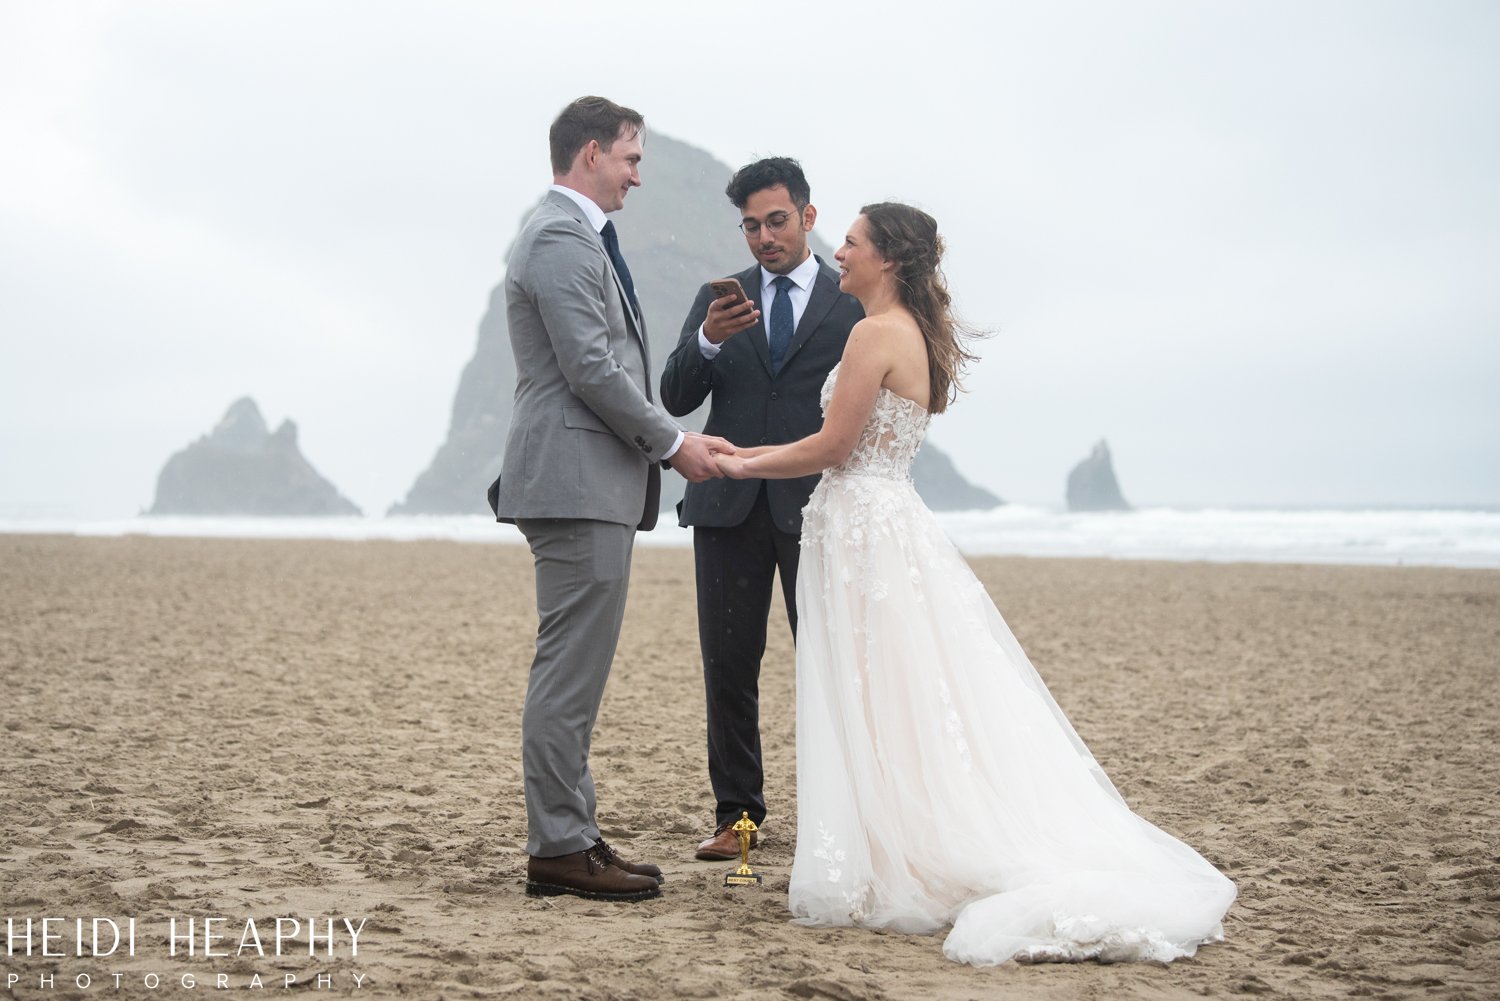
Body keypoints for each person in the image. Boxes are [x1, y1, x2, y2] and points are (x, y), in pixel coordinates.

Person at [713, 203, 1236, 963]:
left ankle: (901, 857)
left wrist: (741, 459)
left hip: (865, 528)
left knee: (877, 693)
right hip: (885, 524)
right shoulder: (914, 334)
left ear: (887, 257)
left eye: (851, 244)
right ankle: (900, 844)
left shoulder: (872, 333)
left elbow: (834, 443)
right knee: (898, 692)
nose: (839, 256)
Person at [489, 96, 732, 903]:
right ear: (590, 153)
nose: (637, 175)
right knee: (568, 672)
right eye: (630, 158)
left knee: (576, 670)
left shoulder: (575, 236)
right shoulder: (559, 236)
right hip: (575, 479)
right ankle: (559, 846)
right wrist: (674, 442)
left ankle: (571, 832)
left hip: (589, 480)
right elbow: (592, 367)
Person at [660, 158, 862, 861]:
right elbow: (676, 397)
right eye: (751, 225)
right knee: (729, 665)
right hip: (726, 507)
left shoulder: (849, 304)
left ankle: (837, 815)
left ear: (807, 217)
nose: (764, 237)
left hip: (817, 509)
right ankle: (738, 821)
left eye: (777, 221)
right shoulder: (720, 300)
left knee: (829, 664)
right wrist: (709, 338)